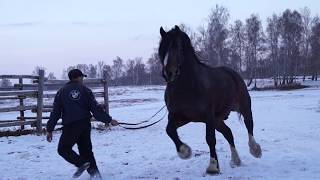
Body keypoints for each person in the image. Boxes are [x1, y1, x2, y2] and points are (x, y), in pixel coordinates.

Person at [46, 69, 118, 179]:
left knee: (63, 149)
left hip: (71, 125)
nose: (83, 79)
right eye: (82, 77)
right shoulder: (85, 90)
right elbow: (96, 109)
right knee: (86, 151)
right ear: (78, 77)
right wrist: (109, 120)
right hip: (85, 124)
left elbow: (55, 113)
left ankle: (81, 164)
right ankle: (95, 175)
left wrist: (50, 129)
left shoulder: (61, 92)